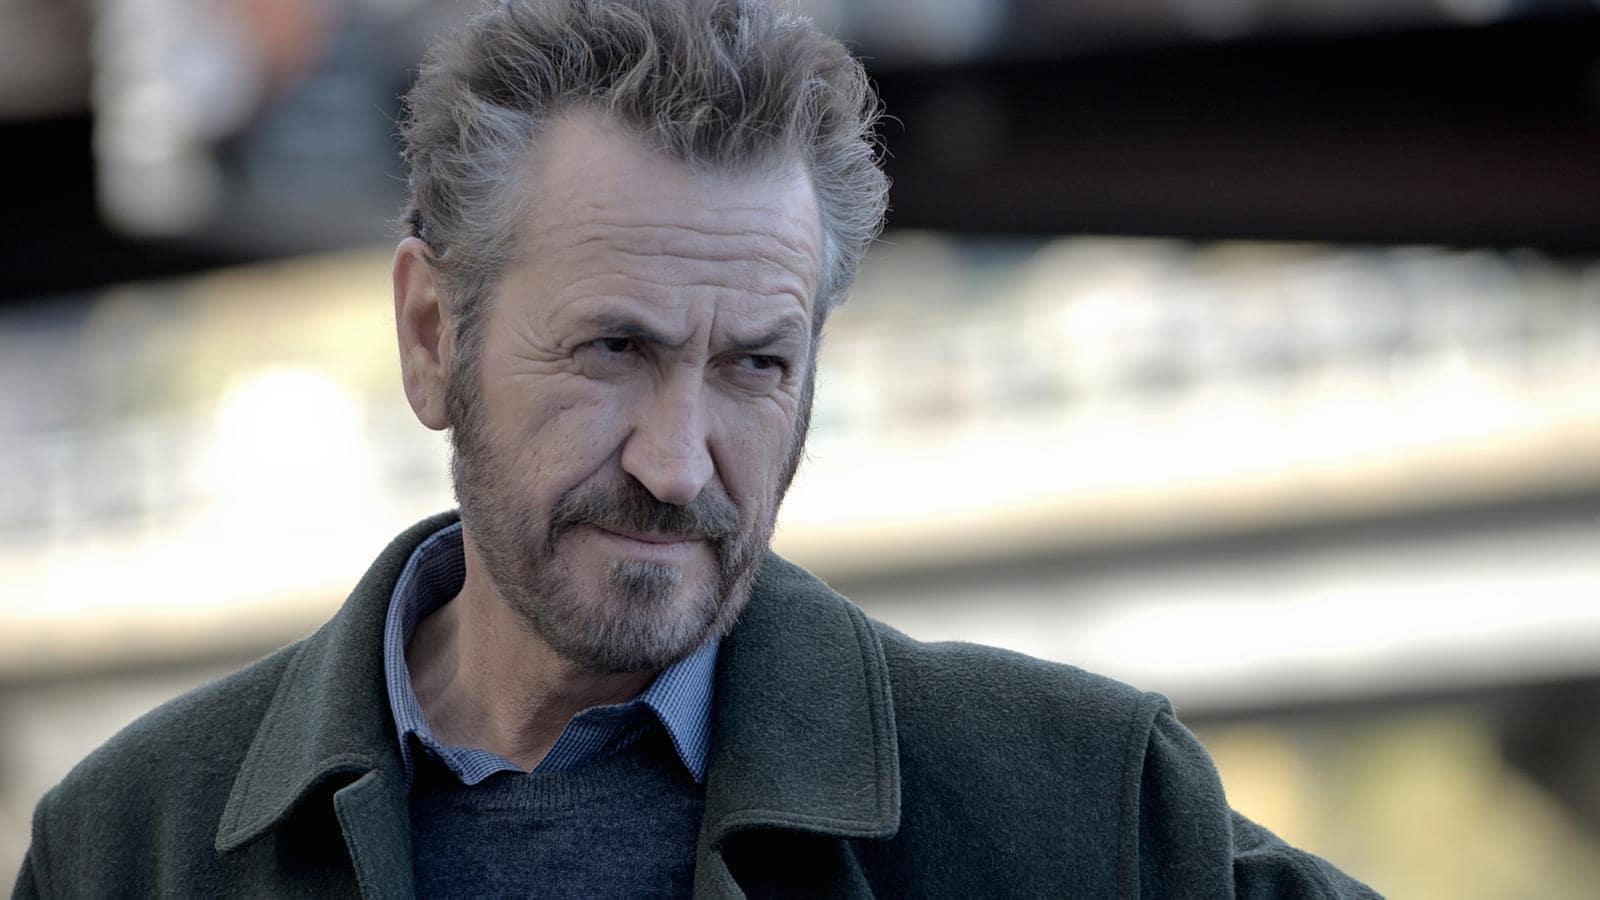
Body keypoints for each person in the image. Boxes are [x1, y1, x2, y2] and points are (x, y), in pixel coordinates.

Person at [14, 1, 1379, 897]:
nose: (676, 465)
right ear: (432, 337)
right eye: (615, 350)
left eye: (754, 368)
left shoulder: (1081, 811)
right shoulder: (132, 846)